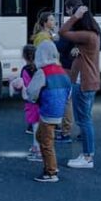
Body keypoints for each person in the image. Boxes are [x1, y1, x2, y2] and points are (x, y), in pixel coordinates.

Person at [59, 0, 101, 169]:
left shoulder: (87, 35)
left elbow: (62, 31)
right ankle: (87, 155)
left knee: (84, 121)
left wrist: (74, 16)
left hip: (83, 83)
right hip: (89, 81)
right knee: (86, 119)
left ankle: (87, 157)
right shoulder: (93, 35)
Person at [25, 41, 72, 183]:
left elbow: (31, 91)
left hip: (47, 110)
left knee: (46, 142)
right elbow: (69, 89)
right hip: (59, 110)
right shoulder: (61, 70)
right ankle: (51, 167)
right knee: (41, 136)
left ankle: (51, 172)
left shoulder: (42, 72)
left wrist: (33, 99)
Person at [9, 45, 41, 161]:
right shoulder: (40, 68)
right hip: (41, 99)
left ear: (24, 56)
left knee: (35, 126)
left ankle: (37, 150)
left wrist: (14, 83)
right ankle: (40, 148)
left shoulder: (25, 70)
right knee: (41, 126)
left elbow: (24, 85)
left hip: (31, 101)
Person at [53, 34, 75, 144]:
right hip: (74, 66)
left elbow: (60, 46)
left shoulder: (69, 31)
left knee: (66, 99)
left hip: (67, 66)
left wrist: (53, 40)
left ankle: (66, 132)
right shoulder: (82, 30)